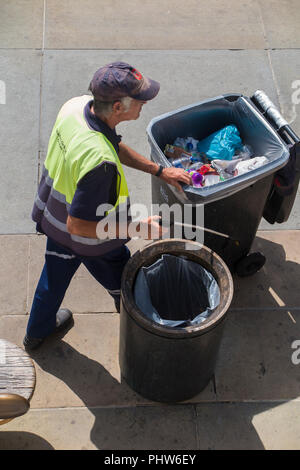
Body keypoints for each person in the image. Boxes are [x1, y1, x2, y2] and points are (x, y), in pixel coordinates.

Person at [23, 61, 192, 351]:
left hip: (55, 217)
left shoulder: (78, 106)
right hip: (90, 235)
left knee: (53, 277)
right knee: (123, 274)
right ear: (118, 107)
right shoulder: (100, 164)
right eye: (140, 100)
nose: (144, 104)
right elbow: (79, 226)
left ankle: (36, 334)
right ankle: (137, 322)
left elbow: (110, 143)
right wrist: (140, 227)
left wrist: (159, 171)